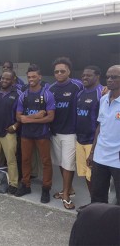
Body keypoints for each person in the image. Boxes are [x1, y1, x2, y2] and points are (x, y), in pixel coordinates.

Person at [15, 64, 55, 203]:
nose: (31, 79)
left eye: (33, 76)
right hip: (26, 134)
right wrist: (37, 116)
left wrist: (29, 119)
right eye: (29, 77)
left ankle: (46, 188)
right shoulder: (23, 95)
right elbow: (19, 117)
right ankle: (26, 185)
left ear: (39, 77)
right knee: (25, 160)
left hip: (42, 133)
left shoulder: (46, 94)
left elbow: (50, 117)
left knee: (46, 161)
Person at [48, 57, 83, 210]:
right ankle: (69, 189)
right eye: (56, 71)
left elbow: (95, 89)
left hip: (71, 133)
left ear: (69, 71)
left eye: (63, 71)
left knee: (68, 165)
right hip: (55, 132)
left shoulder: (78, 85)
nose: (59, 74)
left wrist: (105, 89)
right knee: (61, 164)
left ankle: (66, 195)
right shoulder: (51, 88)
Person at [87, 65, 120, 205]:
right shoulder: (103, 99)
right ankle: (99, 223)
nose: (110, 80)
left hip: (118, 159)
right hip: (100, 157)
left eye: (114, 77)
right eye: (108, 77)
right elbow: (100, 126)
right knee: (97, 196)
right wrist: (92, 152)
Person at [76, 65, 103, 195]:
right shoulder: (80, 93)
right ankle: (93, 203)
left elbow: (102, 123)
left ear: (97, 77)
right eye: (83, 75)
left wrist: (93, 149)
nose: (85, 77)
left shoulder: (102, 93)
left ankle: (98, 205)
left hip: (93, 141)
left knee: (94, 176)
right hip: (79, 140)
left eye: (88, 75)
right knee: (85, 174)